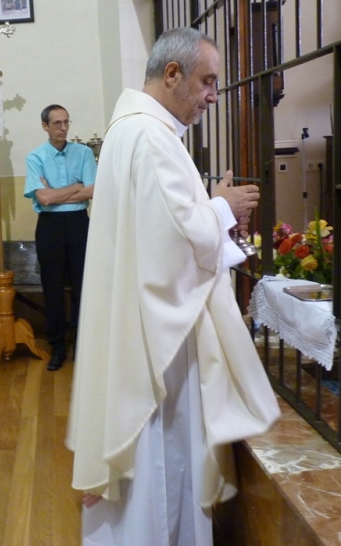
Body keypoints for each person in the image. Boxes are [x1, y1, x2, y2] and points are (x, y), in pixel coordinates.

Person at [66, 28, 280, 545]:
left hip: (144, 321)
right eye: (208, 82)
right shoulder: (148, 134)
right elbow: (173, 241)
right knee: (161, 468)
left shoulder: (133, 128)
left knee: (159, 469)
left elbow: (160, 229)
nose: (212, 96)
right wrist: (223, 205)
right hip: (158, 343)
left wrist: (214, 209)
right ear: (171, 74)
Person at [24, 105, 97, 371]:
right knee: (52, 287)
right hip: (50, 225)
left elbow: (93, 191)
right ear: (45, 126)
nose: (63, 128)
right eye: (56, 123)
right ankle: (57, 346)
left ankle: (81, 343)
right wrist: (76, 186)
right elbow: (43, 198)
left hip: (79, 223)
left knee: (83, 286)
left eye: (66, 122)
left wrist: (59, 193)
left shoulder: (84, 153)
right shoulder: (35, 157)